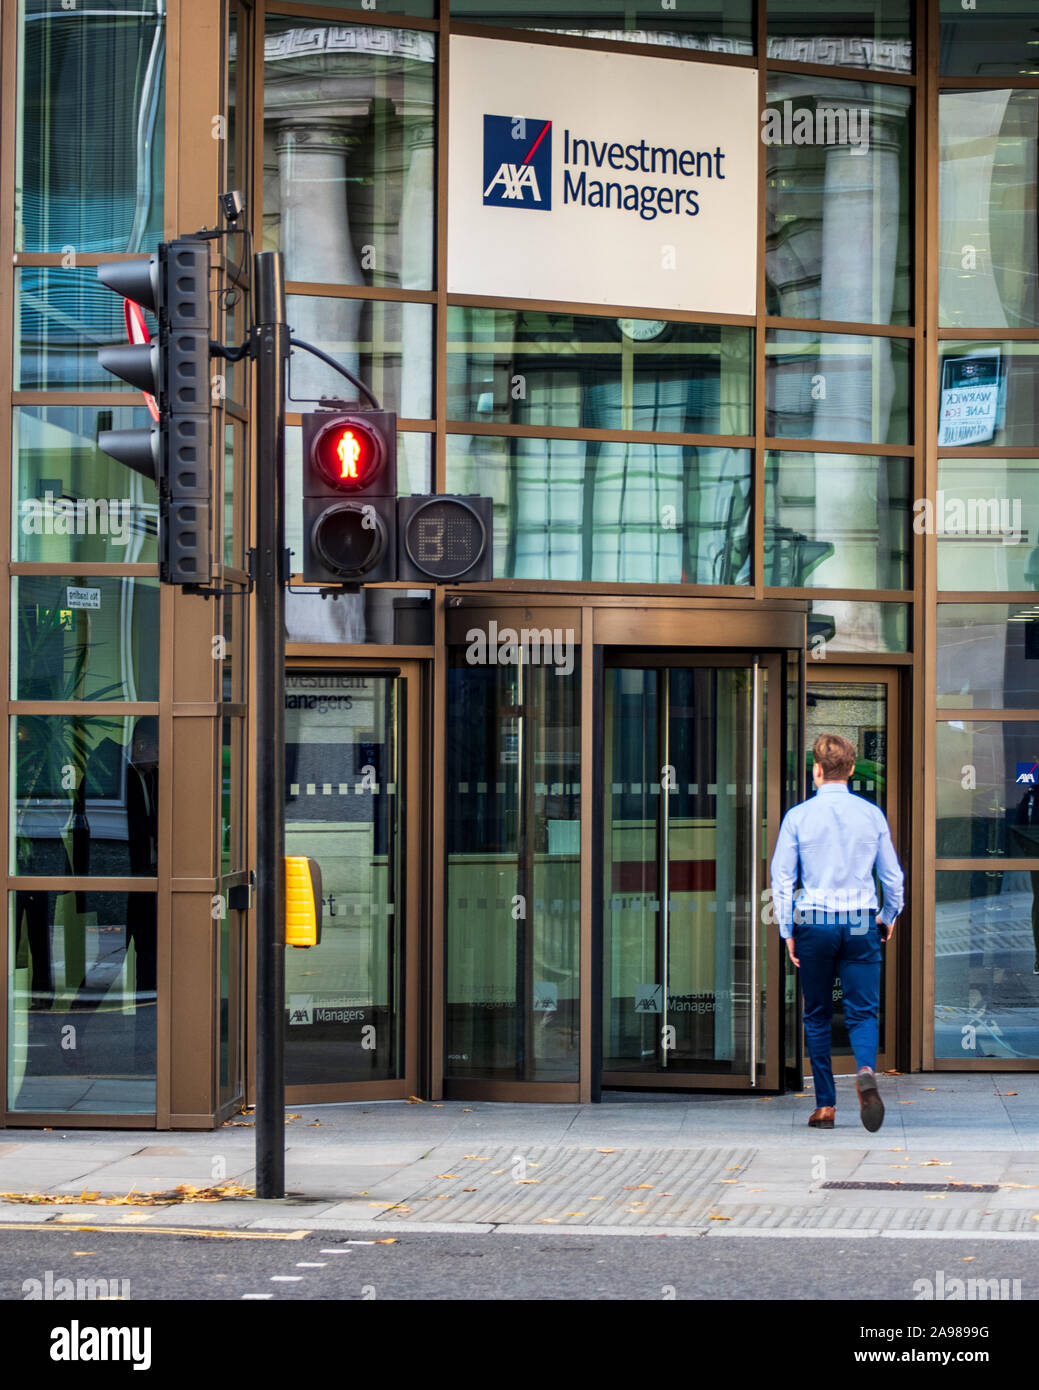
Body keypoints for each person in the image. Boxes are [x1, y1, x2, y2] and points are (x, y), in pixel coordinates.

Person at [770, 733, 904, 1131]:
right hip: (862, 919)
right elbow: (892, 877)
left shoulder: (798, 816)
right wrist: (889, 915)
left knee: (817, 1014)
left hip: (815, 920)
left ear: (816, 770)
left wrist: (787, 929)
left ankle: (825, 1105)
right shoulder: (871, 815)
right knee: (863, 1011)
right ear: (850, 770)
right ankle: (864, 1069)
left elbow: (782, 879)